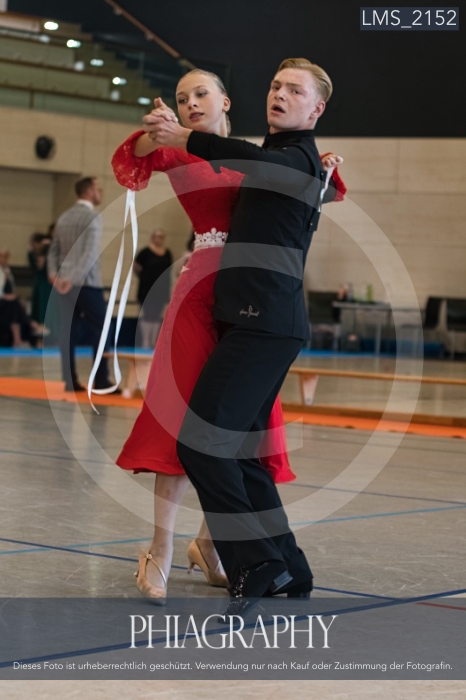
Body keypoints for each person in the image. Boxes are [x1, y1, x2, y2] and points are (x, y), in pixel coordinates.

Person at [111, 67, 345, 604]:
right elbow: (136, 157)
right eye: (182, 98)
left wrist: (319, 165)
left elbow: (282, 172)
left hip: (255, 312)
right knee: (210, 435)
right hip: (213, 300)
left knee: (221, 440)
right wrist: (157, 132)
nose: (191, 103)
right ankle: (236, 559)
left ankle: (239, 554)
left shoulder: (270, 157)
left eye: (202, 94)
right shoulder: (225, 152)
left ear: (226, 101)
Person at [47, 177, 117, 393]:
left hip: (63, 283)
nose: (100, 191)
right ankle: (101, 379)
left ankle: (70, 381)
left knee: (67, 331)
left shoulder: (63, 217)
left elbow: (53, 251)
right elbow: (89, 253)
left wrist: (55, 276)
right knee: (103, 328)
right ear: (88, 191)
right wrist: (73, 279)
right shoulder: (93, 217)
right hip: (86, 283)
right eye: (98, 188)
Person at [134, 229, 173, 348]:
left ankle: (153, 340)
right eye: (157, 237)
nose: (158, 239)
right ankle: (145, 340)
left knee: (157, 314)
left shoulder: (167, 253)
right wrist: (144, 277)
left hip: (161, 288)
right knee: (148, 313)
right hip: (147, 287)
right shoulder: (145, 252)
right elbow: (136, 267)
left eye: (161, 237)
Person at [0, 249, 43, 347]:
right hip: (3, 301)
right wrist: (5, 297)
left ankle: (19, 338)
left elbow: (11, 289)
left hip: (7, 303)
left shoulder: (7, 271)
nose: (4, 259)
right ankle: (32, 324)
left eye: (6, 257)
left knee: (15, 306)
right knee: (14, 305)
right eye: (2, 256)